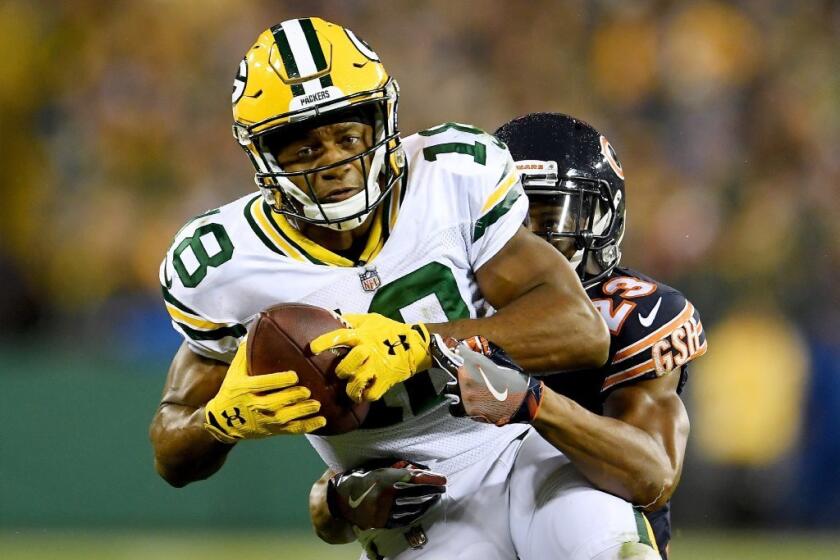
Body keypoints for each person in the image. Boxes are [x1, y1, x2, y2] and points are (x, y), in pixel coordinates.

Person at [149, 18, 612, 559]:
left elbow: (580, 330)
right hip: (412, 505)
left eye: (347, 137)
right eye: (305, 151)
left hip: (527, 447)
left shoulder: (451, 175)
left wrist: (422, 344)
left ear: (382, 122)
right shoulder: (224, 264)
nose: (334, 165)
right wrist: (218, 423)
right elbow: (171, 451)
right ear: (264, 157)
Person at [312, 113, 706, 559]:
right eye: (514, 218)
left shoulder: (633, 313)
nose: (529, 237)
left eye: (547, 214)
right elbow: (328, 506)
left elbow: (650, 478)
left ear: (601, 218)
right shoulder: (443, 306)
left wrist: (534, 403)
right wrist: (342, 498)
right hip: (459, 530)